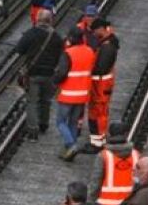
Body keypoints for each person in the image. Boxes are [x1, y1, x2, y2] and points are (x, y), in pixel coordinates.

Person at [12, 8, 64, 140]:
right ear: (50, 21)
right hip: (49, 73)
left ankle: (32, 131)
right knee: (46, 100)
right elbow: (61, 56)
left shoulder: (31, 33)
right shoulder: (56, 37)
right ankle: (44, 124)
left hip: (33, 73)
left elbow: (19, 49)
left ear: (37, 19)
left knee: (32, 102)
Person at [54, 27, 95, 161]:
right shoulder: (90, 51)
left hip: (68, 94)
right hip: (82, 94)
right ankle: (68, 152)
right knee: (73, 122)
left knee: (60, 122)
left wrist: (54, 80)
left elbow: (62, 73)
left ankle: (71, 145)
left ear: (71, 38)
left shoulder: (68, 53)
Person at [83, 18, 120, 153]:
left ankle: (98, 144)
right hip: (100, 85)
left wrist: (87, 68)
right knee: (97, 113)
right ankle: (97, 141)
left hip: (101, 85)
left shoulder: (107, 47)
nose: (93, 33)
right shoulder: (108, 43)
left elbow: (101, 68)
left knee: (99, 113)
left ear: (101, 29)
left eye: (95, 30)